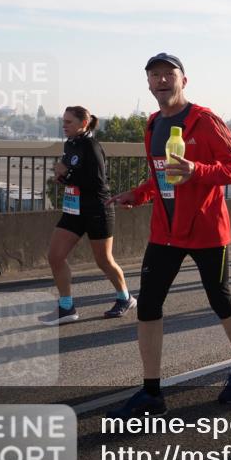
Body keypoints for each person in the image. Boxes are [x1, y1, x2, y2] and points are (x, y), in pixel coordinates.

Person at [106, 53, 231, 417]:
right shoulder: (153, 123)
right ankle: (151, 392)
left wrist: (197, 170)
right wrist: (138, 194)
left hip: (206, 229)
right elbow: (160, 174)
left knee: (219, 298)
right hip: (165, 230)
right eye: (154, 75)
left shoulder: (205, 121)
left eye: (168, 74)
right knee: (149, 305)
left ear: (183, 81)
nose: (161, 80)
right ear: (148, 83)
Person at [43, 106, 133, 324]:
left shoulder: (91, 146)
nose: (64, 126)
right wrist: (63, 176)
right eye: (63, 122)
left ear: (84, 123)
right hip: (74, 210)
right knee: (55, 256)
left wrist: (66, 174)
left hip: (97, 209)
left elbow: (96, 183)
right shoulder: (70, 144)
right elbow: (71, 175)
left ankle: (125, 298)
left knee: (103, 260)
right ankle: (66, 307)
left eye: (69, 122)